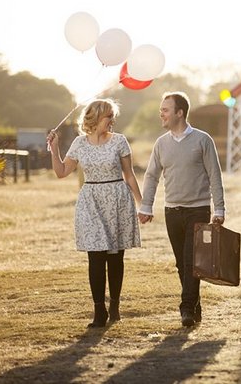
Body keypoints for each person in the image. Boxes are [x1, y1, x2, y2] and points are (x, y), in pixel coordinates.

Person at [47, 98, 142, 328]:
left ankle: (115, 305)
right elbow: (61, 171)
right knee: (96, 257)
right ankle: (99, 311)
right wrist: (55, 148)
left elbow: (129, 175)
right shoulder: (80, 144)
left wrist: (143, 204)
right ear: (96, 118)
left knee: (115, 257)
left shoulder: (119, 141)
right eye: (109, 116)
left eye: (113, 116)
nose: (112, 120)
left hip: (118, 200)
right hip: (91, 201)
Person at [138, 91, 225, 327]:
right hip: (172, 211)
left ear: (180, 112)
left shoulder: (202, 140)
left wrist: (219, 209)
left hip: (198, 210)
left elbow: (215, 176)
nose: (161, 114)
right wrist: (146, 205)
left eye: (165, 110)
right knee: (181, 263)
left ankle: (186, 308)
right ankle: (194, 304)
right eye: (161, 110)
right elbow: (152, 176)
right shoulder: (161, 143)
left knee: (191, 261)